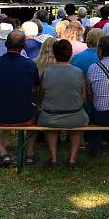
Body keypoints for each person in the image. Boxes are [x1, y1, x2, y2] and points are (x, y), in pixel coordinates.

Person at [0, 31, 41, 167]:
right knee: (38, 117)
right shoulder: (30, 65)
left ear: (6, 44)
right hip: (25, 114)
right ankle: (29, 154)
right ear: (23, 46)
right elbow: (36, 88)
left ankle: (3, 153)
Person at [37, 39, 89, 168]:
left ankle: (54, 158)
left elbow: (41, 95)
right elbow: (84, 99)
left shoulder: (47, 72)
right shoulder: (78, 72)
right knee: (78, 124)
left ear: (55, 54)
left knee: (50, 125)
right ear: (70, 53)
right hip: (75, 116)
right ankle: (72, 159)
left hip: (50, 117)